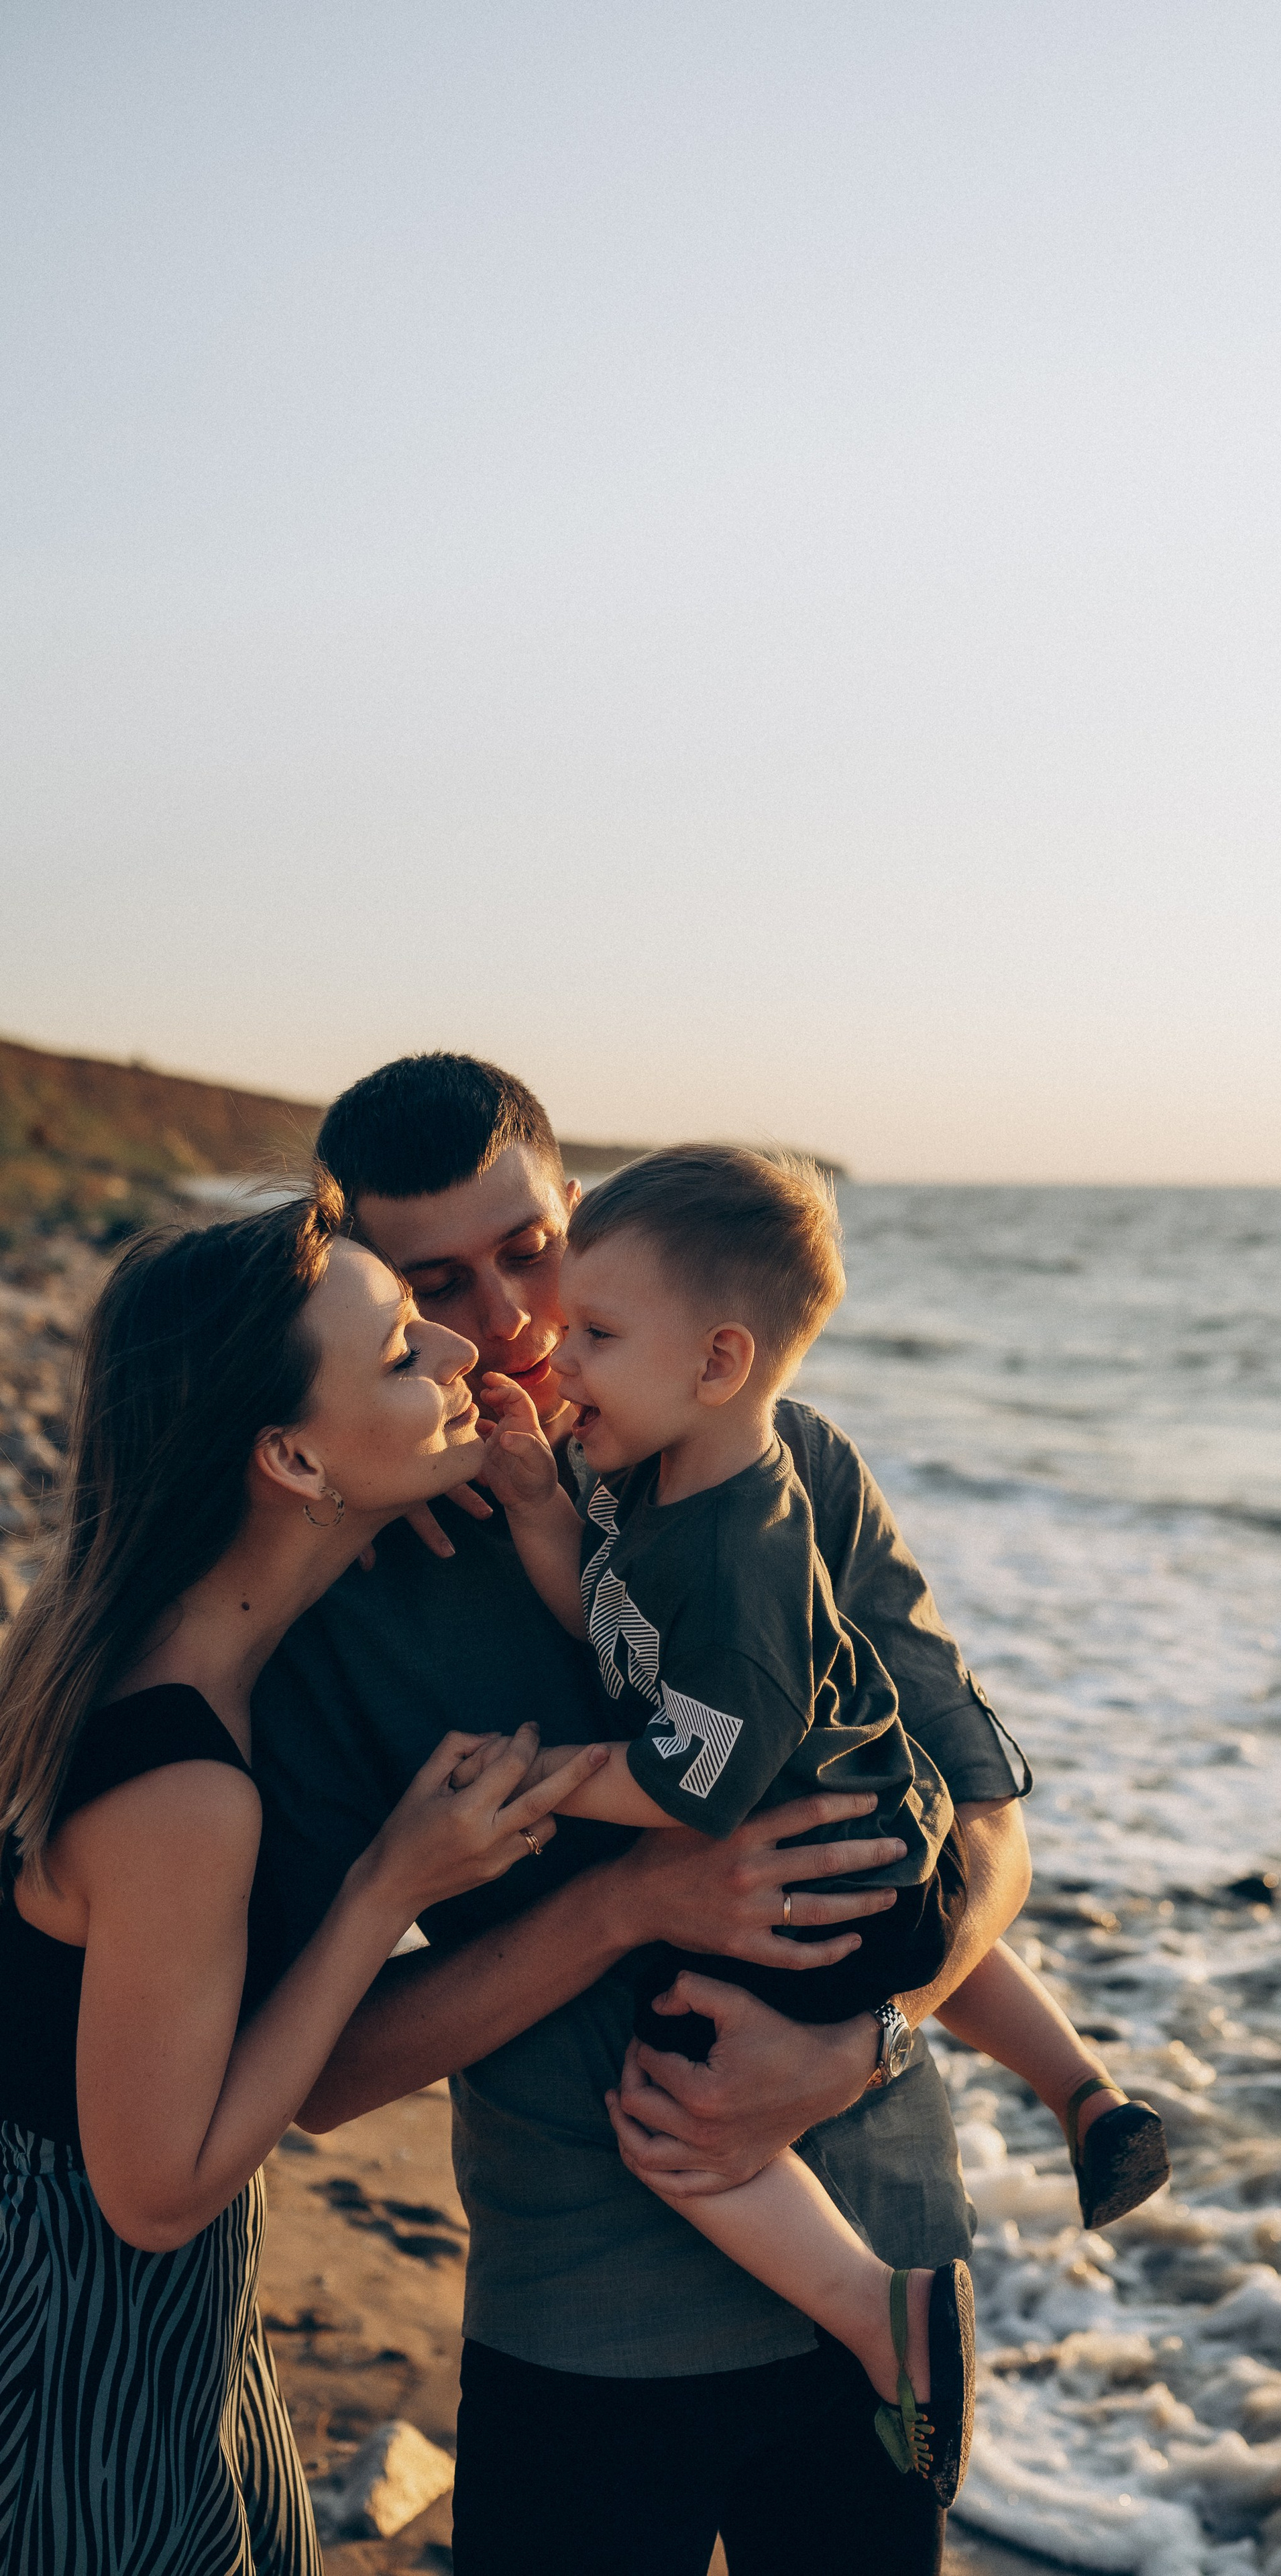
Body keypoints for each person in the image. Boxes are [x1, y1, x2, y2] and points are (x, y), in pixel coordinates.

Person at [247, 1054, 1039, 2575]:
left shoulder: (787, 1467)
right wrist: (621, 1901)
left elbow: (989, 1839)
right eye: (440, 1284)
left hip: (880, 2277)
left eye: (533, 1251)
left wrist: (856, 2041)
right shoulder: (342, 1598)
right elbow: (322, 2076)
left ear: (580, 1213)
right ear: (376, 1296)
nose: (516, 1322)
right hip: (582, 2318)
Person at [476, 1143, 1170, 2500]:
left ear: (718, 1363)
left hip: (810, 1865)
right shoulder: (651, 1477)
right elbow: (612, 1629)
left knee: (671, 2112)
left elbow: (692, 1784)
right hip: (857, 1830)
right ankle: (1084, 2093)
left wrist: (546, 1780)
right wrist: (536, 1512)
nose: (554, 1359)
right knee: (892, 1914)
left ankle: (876, 2313)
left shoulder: (748, 1550)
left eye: (592, 1334)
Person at [0, 1185, 606, 2576]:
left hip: (146, 2330)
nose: (461, 1357)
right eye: (402, 1348)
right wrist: (387, 1887)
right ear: (288, 1455)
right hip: (84, 2363)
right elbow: (155, 2192)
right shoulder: (182, 1783)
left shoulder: (132, 1650)